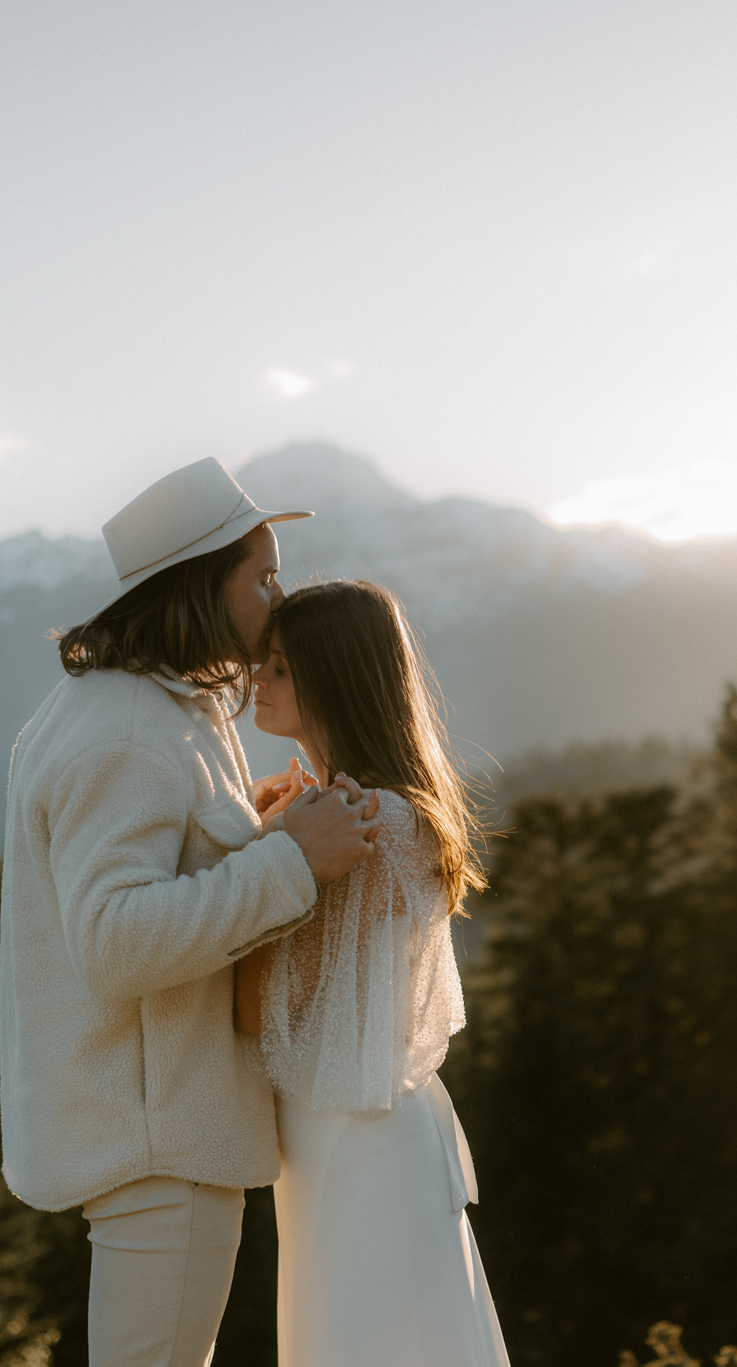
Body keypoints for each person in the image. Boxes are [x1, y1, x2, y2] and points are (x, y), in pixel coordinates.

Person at [0, 456, 382, 1367]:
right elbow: (116, 943)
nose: (277, 595)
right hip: (158, 1148)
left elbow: (143, 867)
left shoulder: (142, 706)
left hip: (156, 1133)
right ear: (200, 586)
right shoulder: (132, 729)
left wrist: (245, 829)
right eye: (260, 576)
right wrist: (293, 860)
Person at [235, 579, 511, 1367]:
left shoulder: (360, 821)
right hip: (375, 1126)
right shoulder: (386, 810)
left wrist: (265, 859)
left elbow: (261, 1011)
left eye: (281, 667)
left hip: (349, 1138)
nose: (259, 678)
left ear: (334, 677)